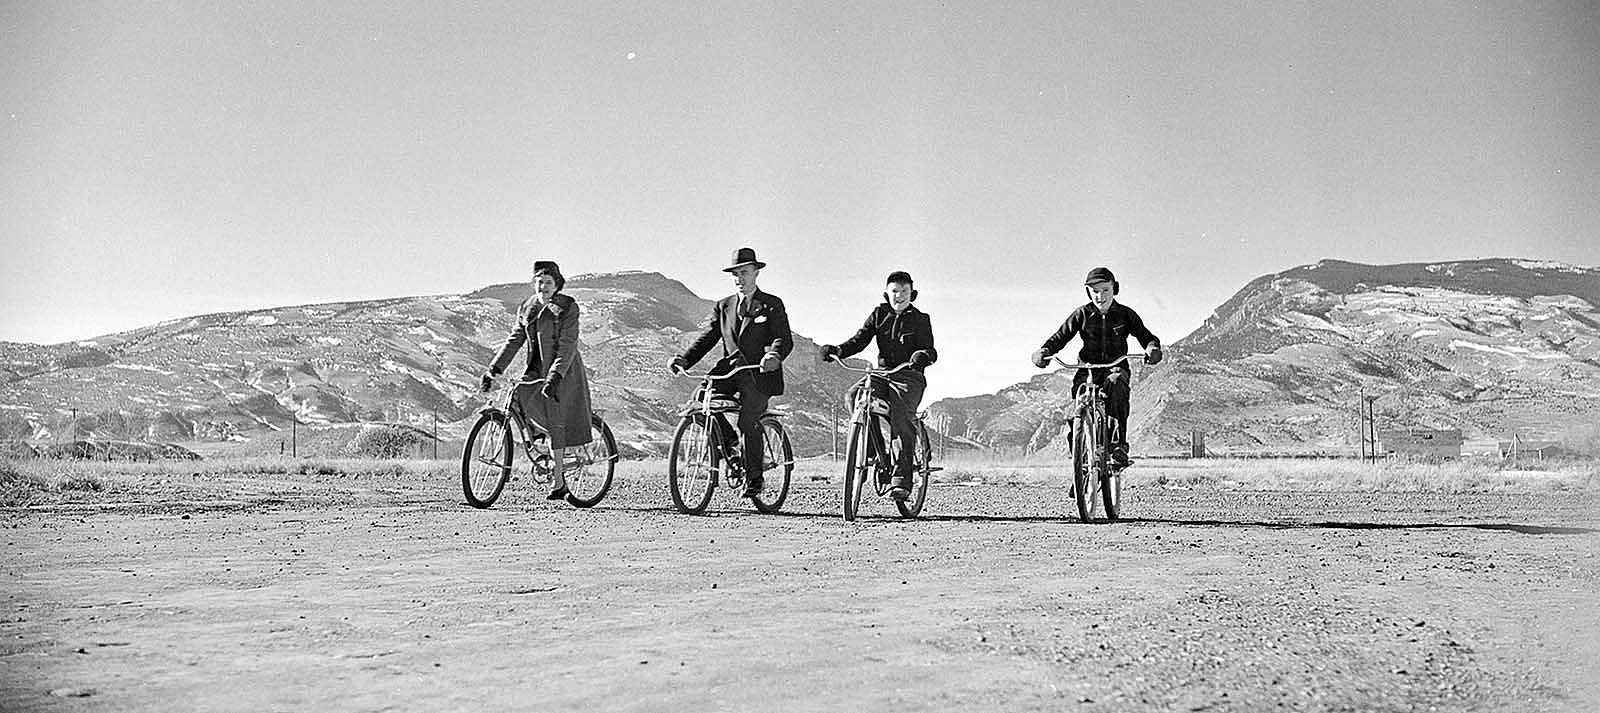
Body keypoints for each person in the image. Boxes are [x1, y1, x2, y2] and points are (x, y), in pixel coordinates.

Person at [669, 247, 794, 498]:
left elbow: (782, 338)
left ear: (756, 272)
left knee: (748, 421)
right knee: (701, 400)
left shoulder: (771, 304)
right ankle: (730, 445)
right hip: (731, 370)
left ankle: (755, 478)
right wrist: (685, 359)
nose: (739, 278)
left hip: (759, 373)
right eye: (735, 274)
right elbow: (708, 338)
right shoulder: (724, 305)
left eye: (744, 272)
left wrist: (773, 356)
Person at [819, 271, 936, 500]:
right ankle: (872, 449)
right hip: (882, 374)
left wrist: (922, 356)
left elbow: (931, 350)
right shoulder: (879, 314)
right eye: (895, 291)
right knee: (854, 396)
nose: (899, 296)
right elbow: (860, 339)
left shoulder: (921, 319)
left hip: (908, 377)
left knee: (901, 416)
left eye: (904, 291)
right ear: (886, 294)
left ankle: (901, 480)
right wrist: (838, 350)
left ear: (912, 294)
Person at [482, 260, 594, 500]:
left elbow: (567, 345)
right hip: (536, 370)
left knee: (556, 421)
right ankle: (540, 443)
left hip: (563, 373)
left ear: (557, 285)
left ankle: (559, 482)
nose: (543, 287)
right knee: (520, 396)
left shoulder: (567, 307)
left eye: (548, 282)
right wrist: (494, 369)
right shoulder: (527, 307)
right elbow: (514, 340)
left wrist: (555, 376)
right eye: (539, 282)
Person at [1030, 266, 1163, 469]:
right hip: (1088, 369)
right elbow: (1060, 336)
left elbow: (1146, 336)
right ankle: (1080, 462)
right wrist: (1044, 351)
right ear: (1088, 293)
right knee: (1080, 401)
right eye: (1095, 291)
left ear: (1114, 289)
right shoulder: (1082, 314)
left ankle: (1117, 447)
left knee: (1116, 386)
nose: (1100, 296)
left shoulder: (1126, 315)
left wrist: (1152, 348)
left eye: (1105, 290)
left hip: (1115, 368)